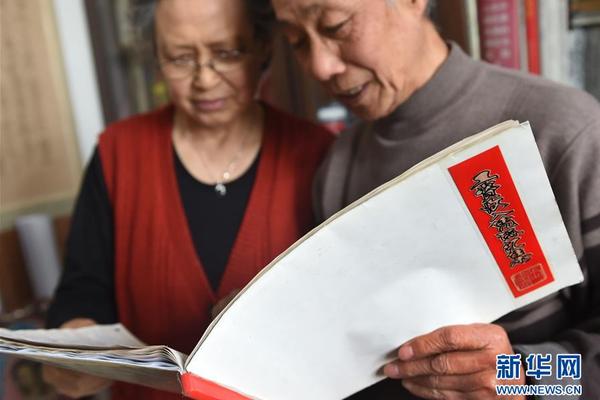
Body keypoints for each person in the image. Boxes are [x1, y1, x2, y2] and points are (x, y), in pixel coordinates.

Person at [271, 0, 600, 398]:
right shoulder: (336, 168)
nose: (320, 66)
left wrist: (521, 373)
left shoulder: (564, 131)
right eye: (297, 41)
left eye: (336, 26)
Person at [42, 0, 333, 399]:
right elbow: (81, 292)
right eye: (180, 58)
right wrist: (73, 344)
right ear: (156, 57)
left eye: (227, 53)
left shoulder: (317, 153)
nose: (205, 80)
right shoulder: (118, 154)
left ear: (263, 46)